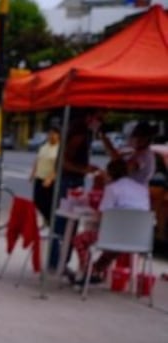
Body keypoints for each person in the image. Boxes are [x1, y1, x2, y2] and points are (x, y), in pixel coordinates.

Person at [70, 158, 151, 286]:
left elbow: (103, 215)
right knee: (114, 246)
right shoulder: (142, 189)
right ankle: (96, 269)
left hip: (114, 234)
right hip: (139, 239)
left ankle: (87, 270)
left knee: (79, 240)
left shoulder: (112, 188)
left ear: (110, 174)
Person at [49, 110, 103, 273]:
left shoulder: (81, 132)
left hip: (73, 179)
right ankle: (58, 261)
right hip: (70, 181)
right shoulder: (79, 134)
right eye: (100, 118)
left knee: (66, 224)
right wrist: (84, 169)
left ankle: (59, 261)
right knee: (64, 223)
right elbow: (63, 162)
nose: (101, 122)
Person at [96, 120, 156, 186]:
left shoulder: (144, 155)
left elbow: (122, 169)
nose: (137, 139)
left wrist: (104, 138)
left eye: (142, 136)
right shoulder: (135, 152)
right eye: (135, 135)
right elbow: (117, 158)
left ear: (148, 138)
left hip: (133, 193)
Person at [30, 124, 61, 225]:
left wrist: (50, 178)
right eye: (49, 133)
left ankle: (51, 222)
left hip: (50, 180)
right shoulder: (44, 146)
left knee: (49, 203)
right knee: (37, 201)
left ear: (58, 135)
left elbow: (59, 166)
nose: (51, 136)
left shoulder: (59, 149)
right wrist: (33, 173)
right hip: (39, 177)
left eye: (54, 134)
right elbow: (38, 159)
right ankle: (49, 220)